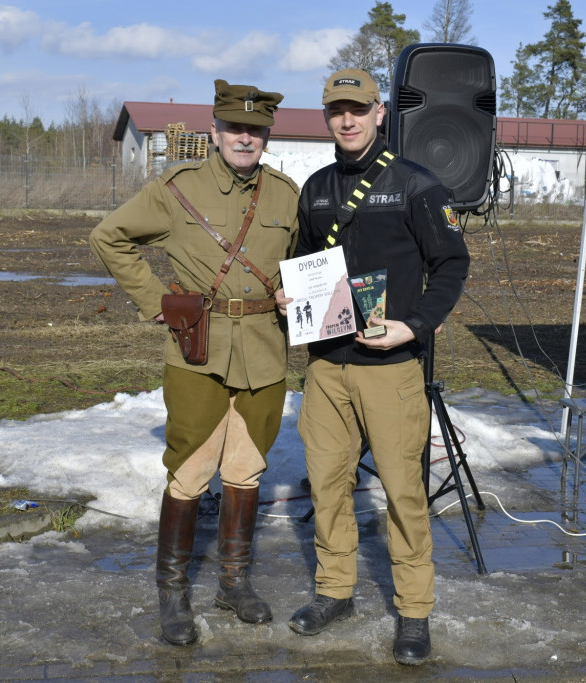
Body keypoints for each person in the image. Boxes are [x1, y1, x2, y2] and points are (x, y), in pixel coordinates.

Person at [89, 80, 299, 647]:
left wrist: (296, 293)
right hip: (196, 351)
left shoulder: (286, 195)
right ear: (214, 131)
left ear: (266, 136)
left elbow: (307, 262)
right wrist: (156, 300)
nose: (244, 138)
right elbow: (110, 237)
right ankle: (173, 592)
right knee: (189, 470)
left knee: (246, 470)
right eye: (234, 128)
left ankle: (234, 582)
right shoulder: (176, 188)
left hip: (265, 350)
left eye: (255, 130)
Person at [281, 68, 470, 666]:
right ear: (326, 117)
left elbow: (452, 264)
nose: (348, 120)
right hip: (326, 366)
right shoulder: (315, 189)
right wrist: (291, 295)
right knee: (328, 485)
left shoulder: (416, 185)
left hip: (390, 368)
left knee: (403, 491)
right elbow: (303, 259)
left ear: (379, 112)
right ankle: (335, 591)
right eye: (337, 110)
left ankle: (413, 611)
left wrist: (415, 325)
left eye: (358, 109)